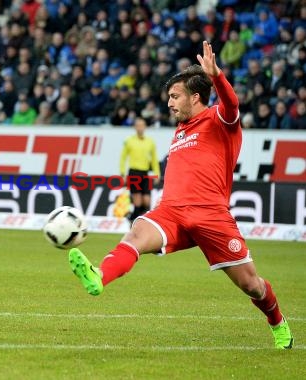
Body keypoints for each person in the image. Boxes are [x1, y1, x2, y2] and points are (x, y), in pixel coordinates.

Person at [68, 41, 293, 349]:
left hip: (211, 216)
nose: (169, 103)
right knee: (135, 233)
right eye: (169, 97)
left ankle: (278, 323)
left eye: (175, 96)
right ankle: (99, 276)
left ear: (195, 96)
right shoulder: (181, 130)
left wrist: (218, 77)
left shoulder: (219, 120)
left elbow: (232, 104)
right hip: (171, 211)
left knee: (251, 285)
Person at [119, 117, 160, 221]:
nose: (140, 128)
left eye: (142, 125)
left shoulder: (150, 142)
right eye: (138, 125)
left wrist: (157, 173)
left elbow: (154, 159)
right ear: (135, 127)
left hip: (145, 173)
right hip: (134, 173)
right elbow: (123, 158)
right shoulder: (129, 141)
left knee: (146, 201)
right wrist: (122, 174)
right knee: (137, 202)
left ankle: (132, 218)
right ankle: (135, 223)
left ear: (145, 127)